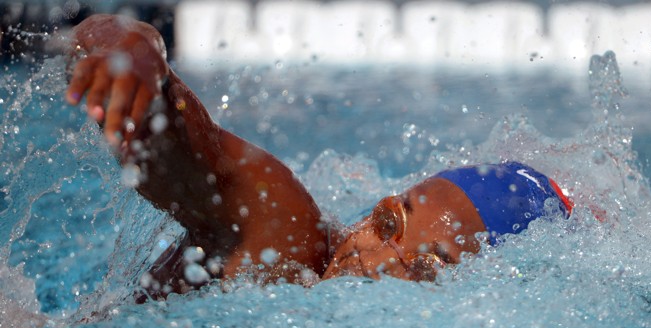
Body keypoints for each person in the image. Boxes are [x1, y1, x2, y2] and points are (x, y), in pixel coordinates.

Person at [63, 14, 573, 302]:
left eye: (426, 266)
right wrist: (137, 54)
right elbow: (199, 151)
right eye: (389, 223)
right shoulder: (285, 235)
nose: (374, 260)